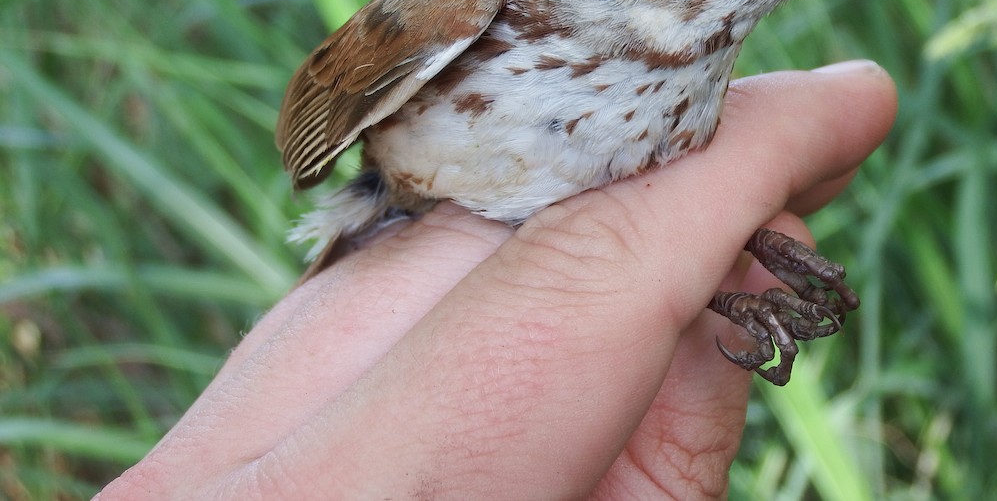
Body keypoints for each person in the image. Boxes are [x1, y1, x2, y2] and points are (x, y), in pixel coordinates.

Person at [99, 62, 897, 498]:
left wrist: (726, 278)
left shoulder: (696, 69)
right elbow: (318, 115)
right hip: (411, 202)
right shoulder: (471, 0)